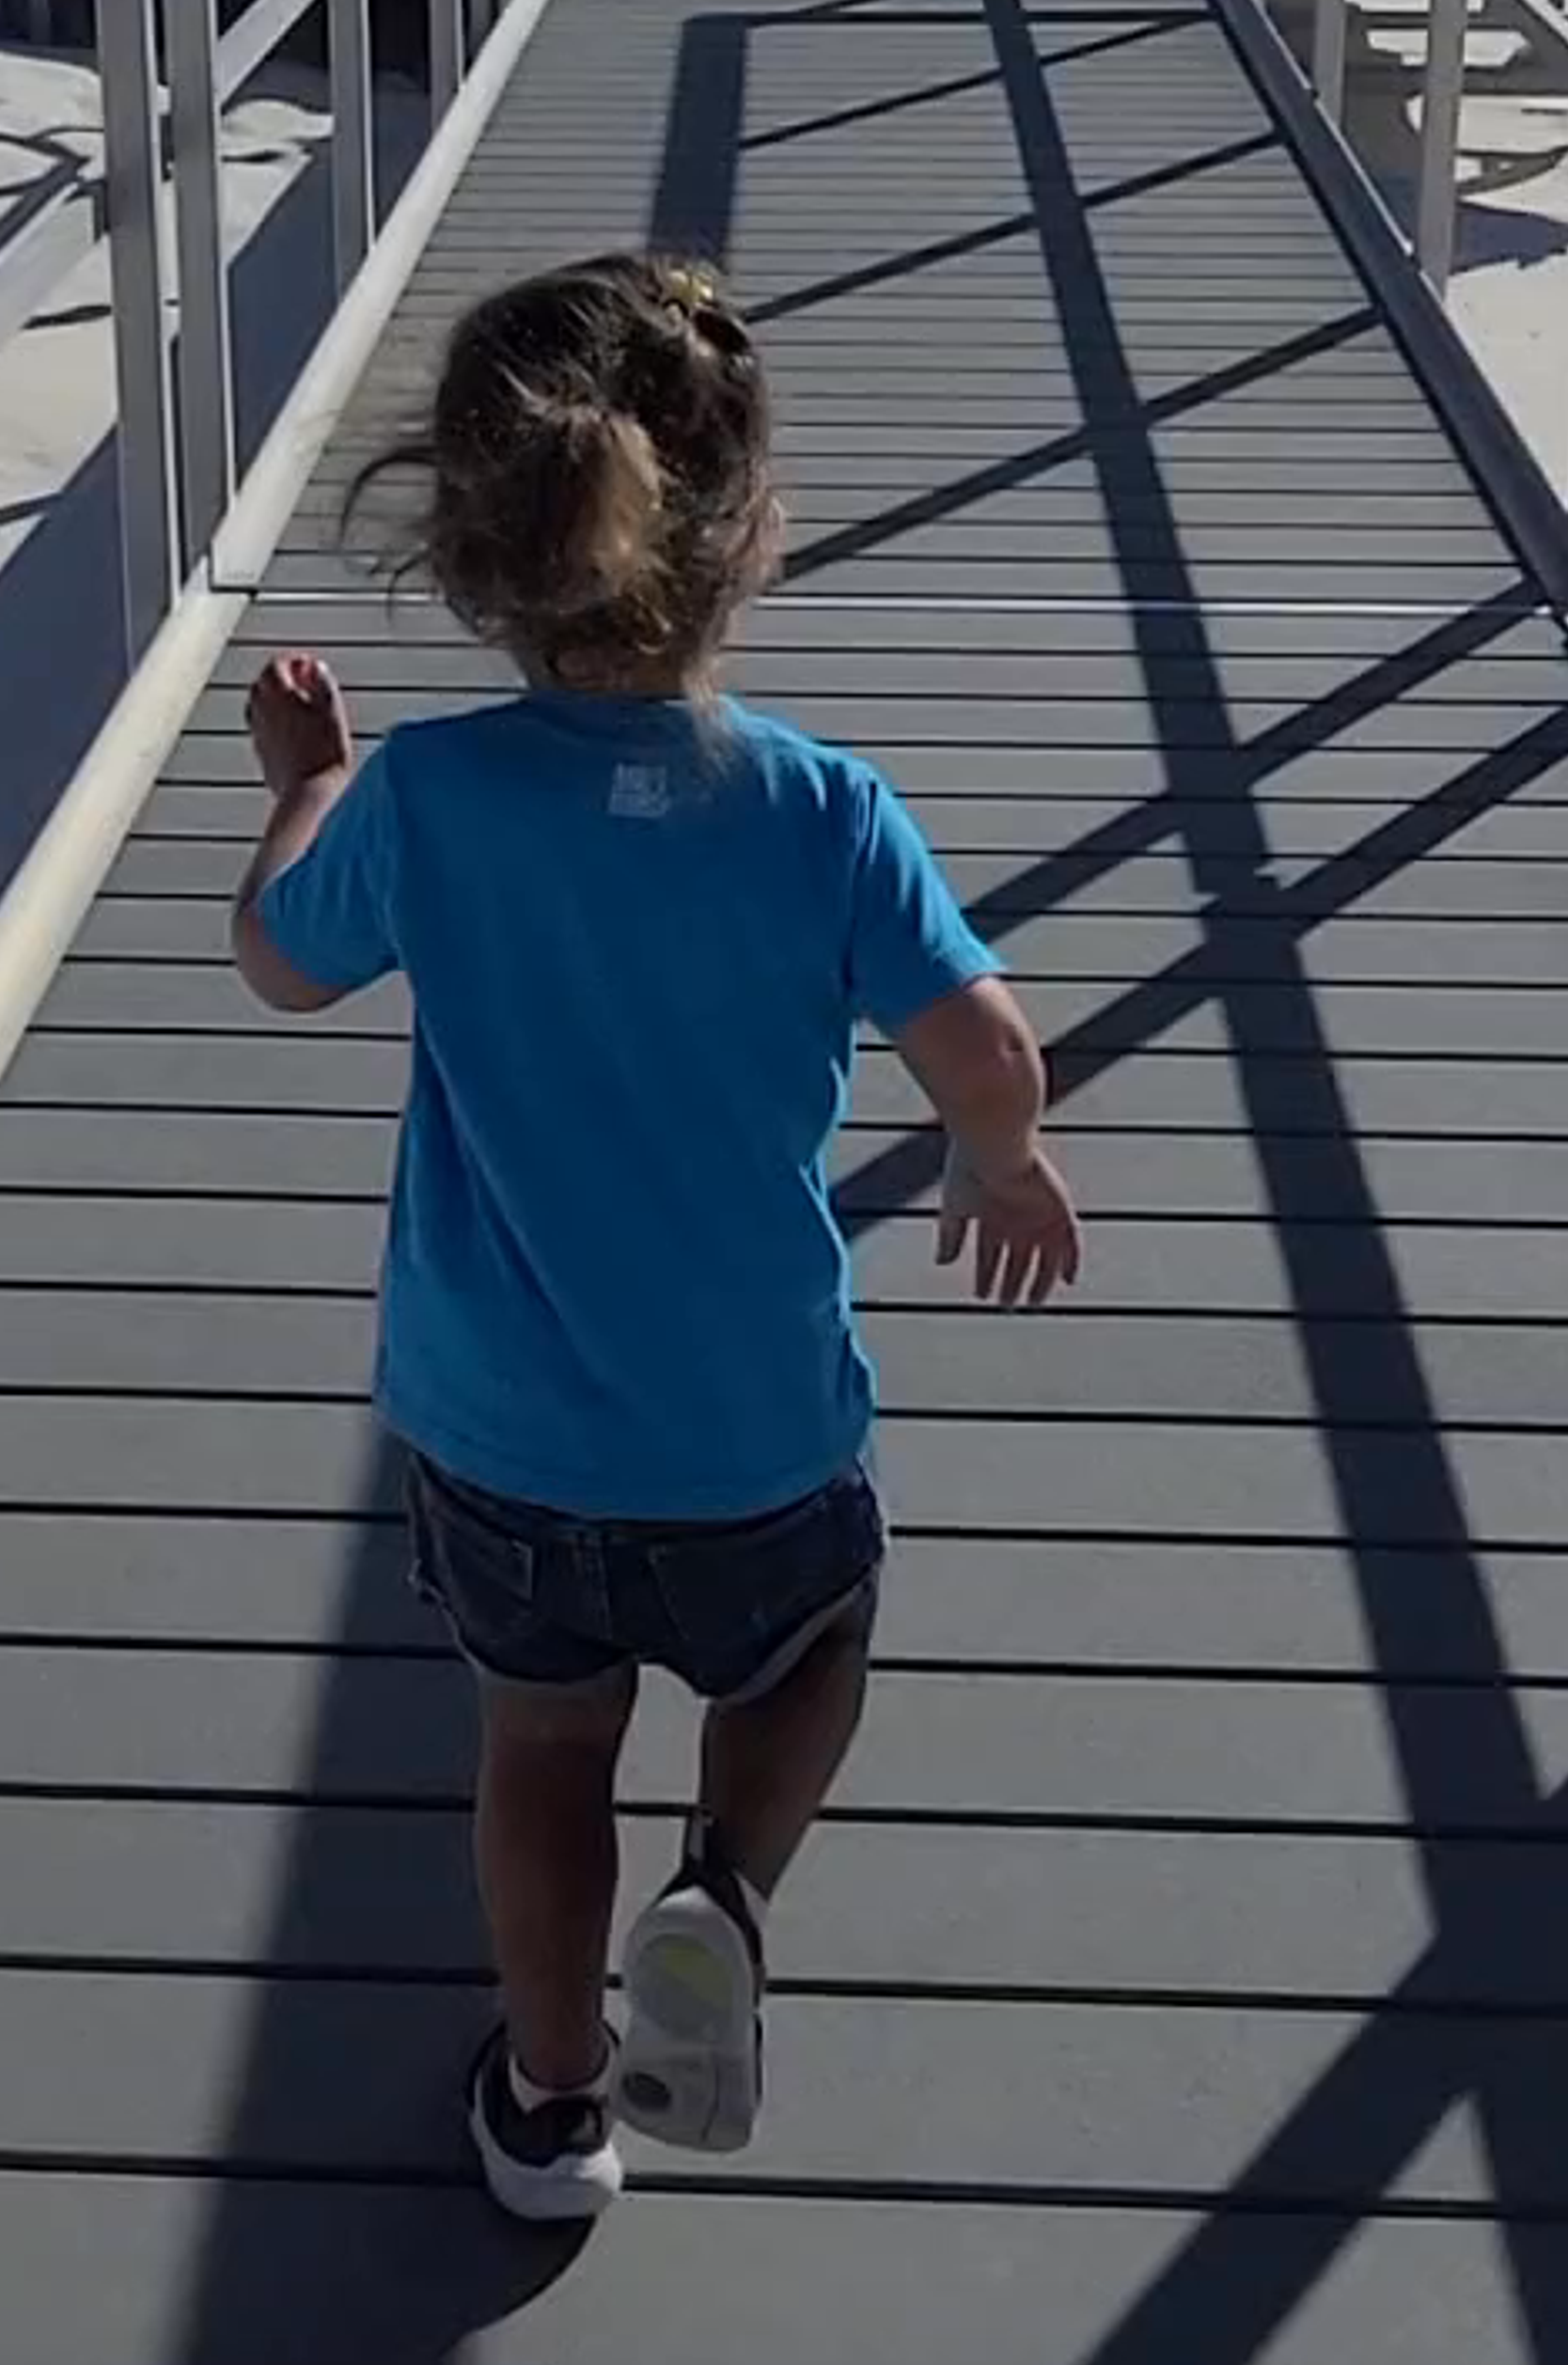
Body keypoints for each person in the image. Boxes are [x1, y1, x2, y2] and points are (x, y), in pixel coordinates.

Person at [231, 244, 1083, 2217]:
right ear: (747, 530)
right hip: (754, 1428)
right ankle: (722, 1891)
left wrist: (311, 785)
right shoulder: (822, 813)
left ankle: (548, 2102)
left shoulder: (427, 799)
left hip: (502, 1433)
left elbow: (279, 964)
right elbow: (988, 1046)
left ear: (469, 546)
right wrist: (995, 1160)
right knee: (809, 1655)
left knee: (540, 1747)